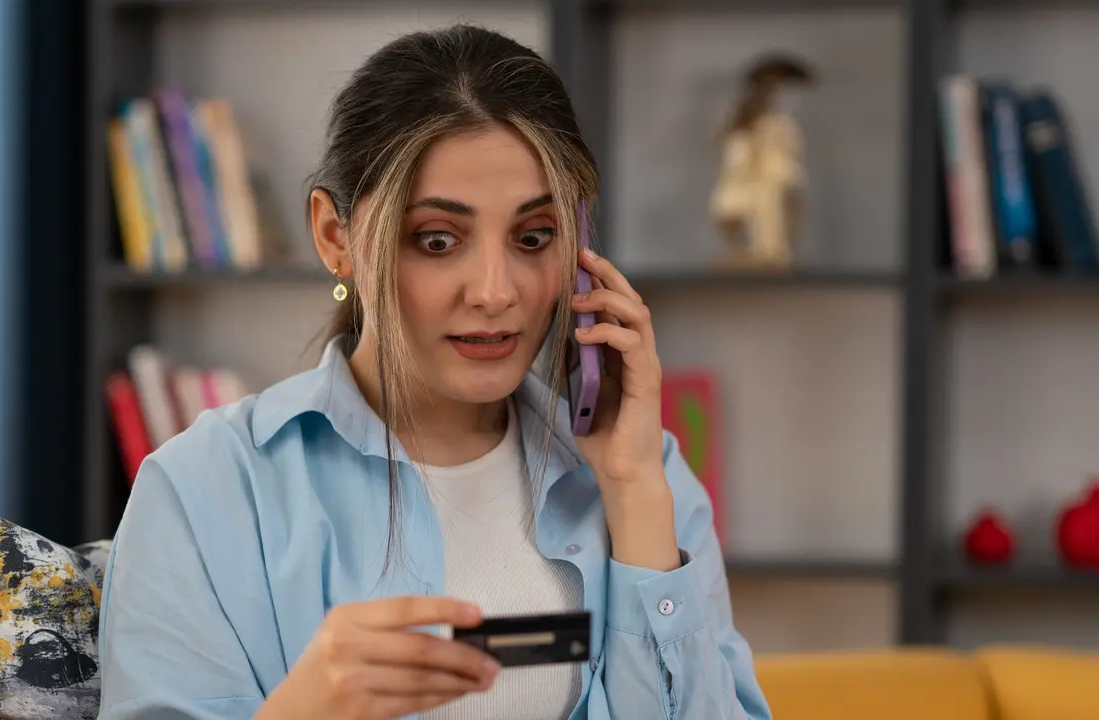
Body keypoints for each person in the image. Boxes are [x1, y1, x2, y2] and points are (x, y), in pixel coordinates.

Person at [97, 23, 771, 720]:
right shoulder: (204, 489)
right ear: (336, 238)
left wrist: (633, 498)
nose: (493, 291)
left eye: (533, 238)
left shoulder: (646, 478)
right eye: (438, 240)